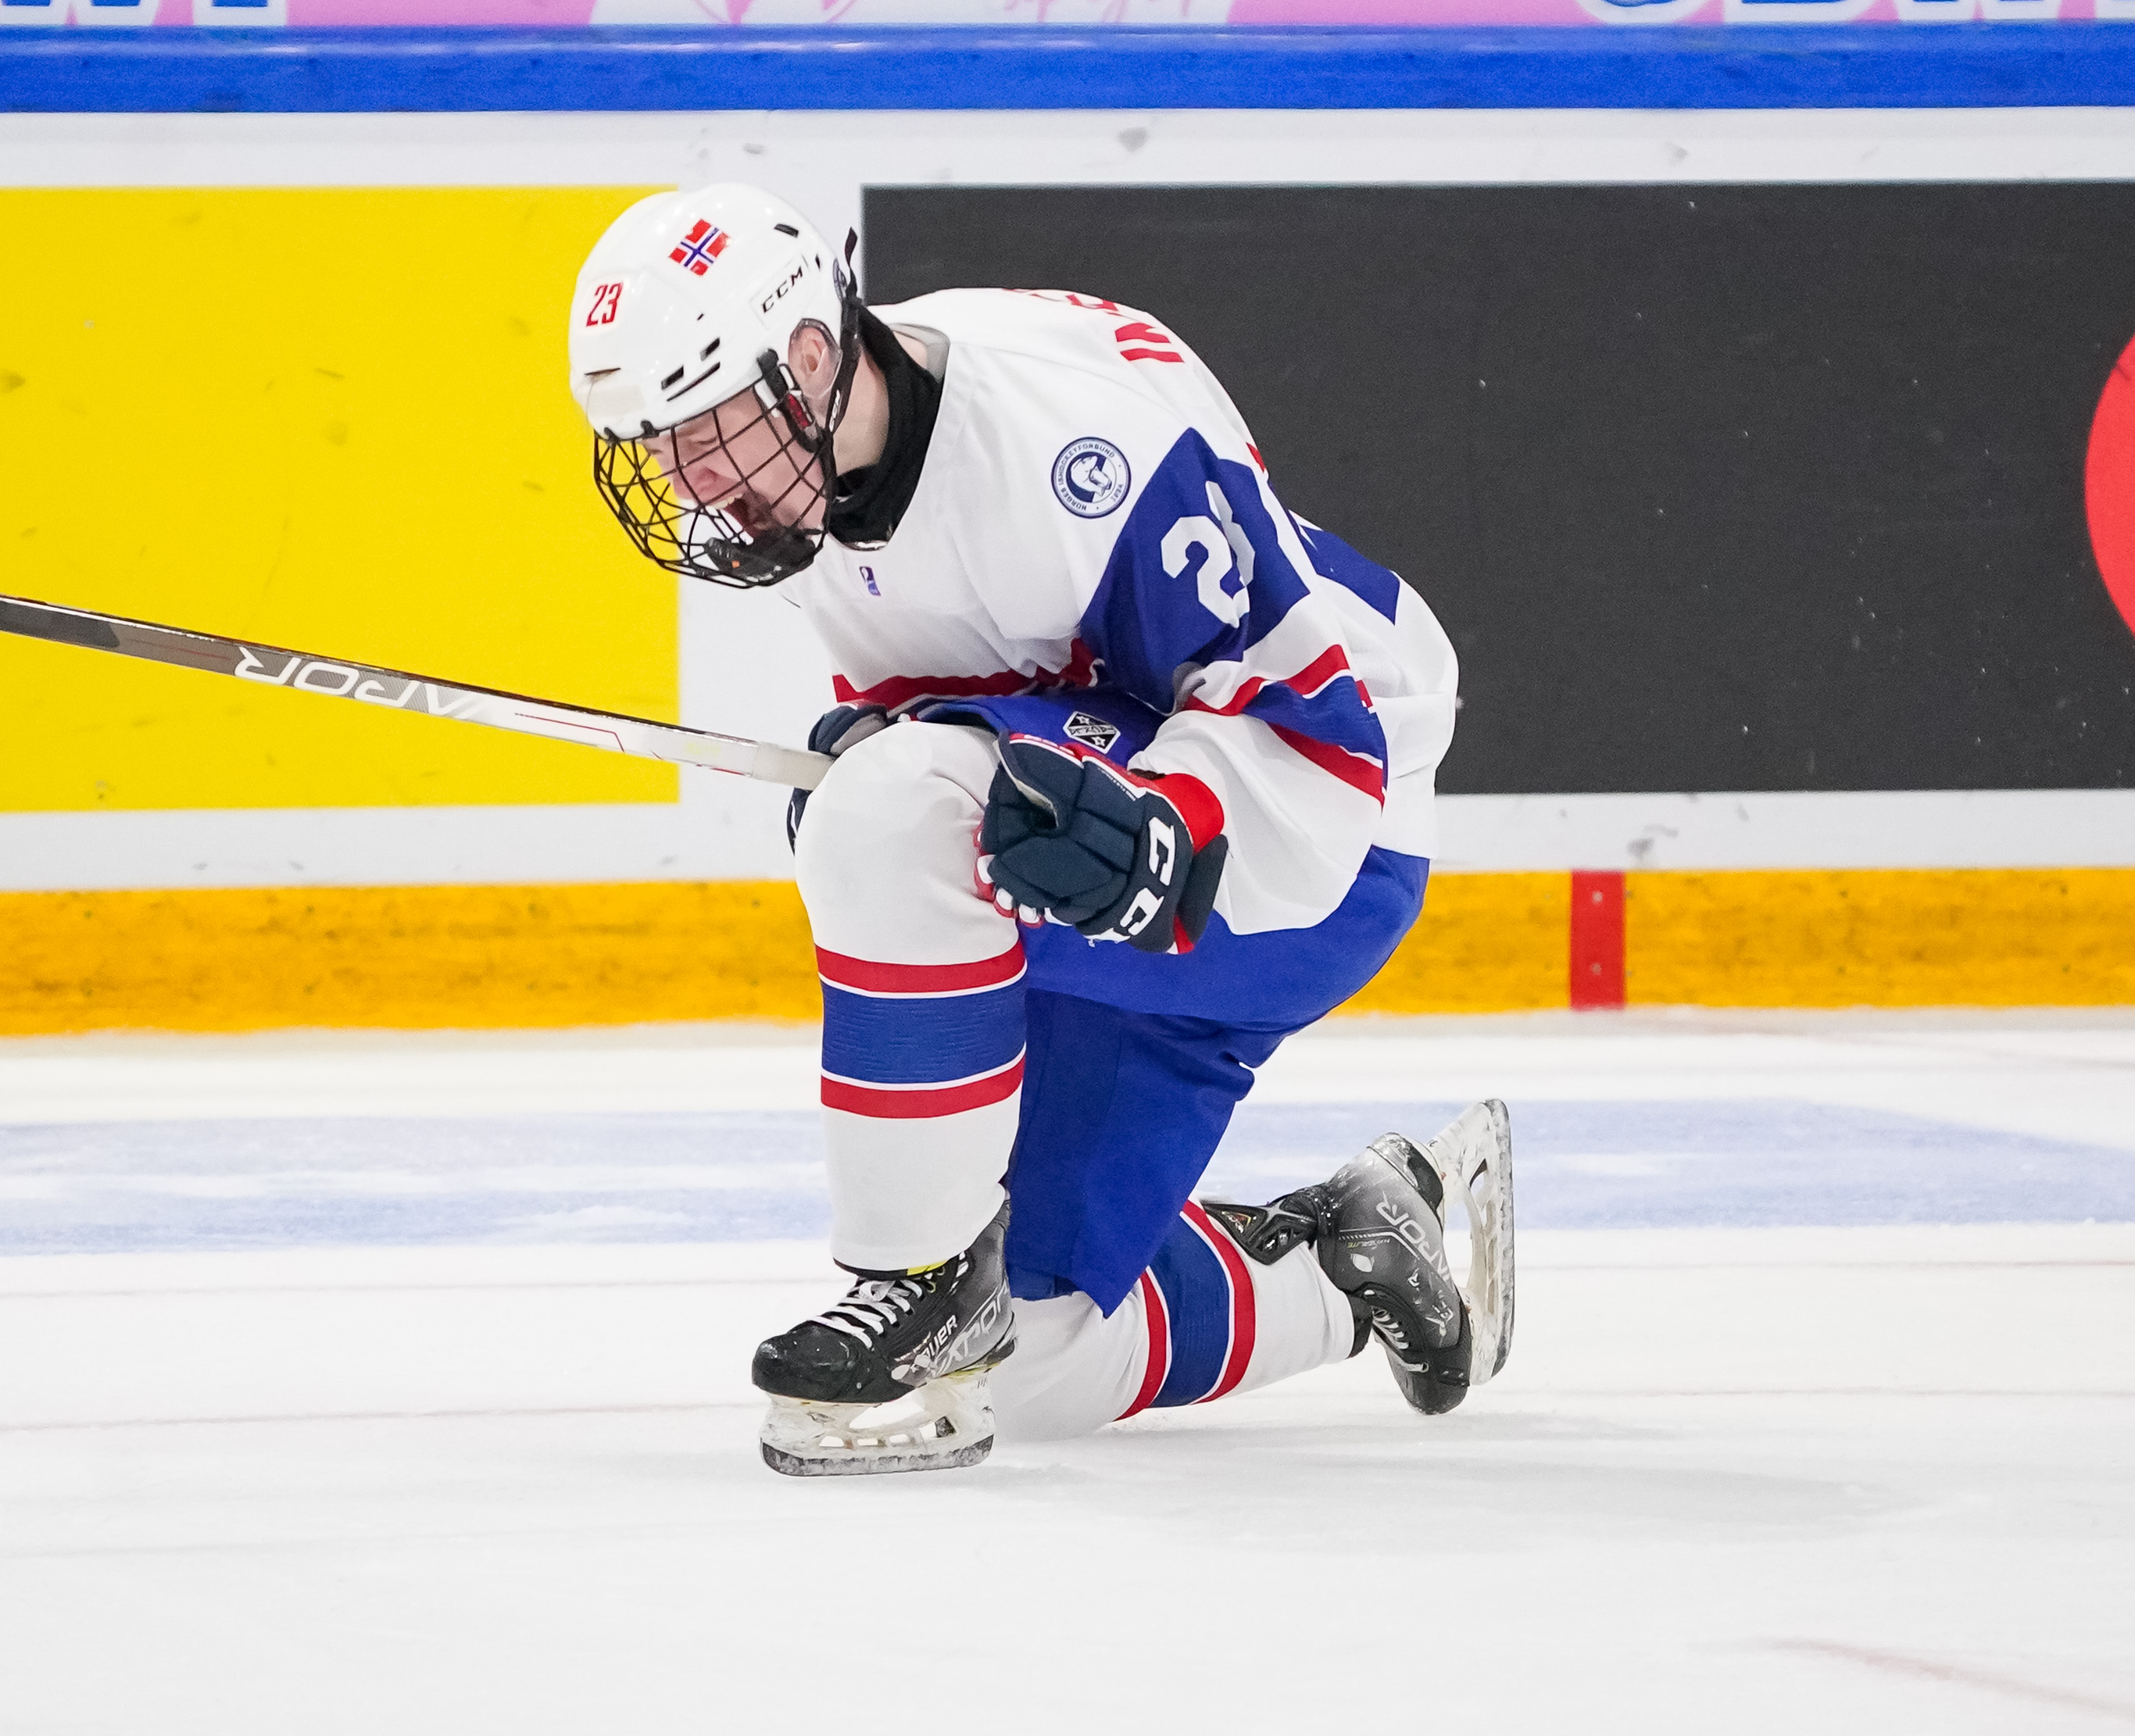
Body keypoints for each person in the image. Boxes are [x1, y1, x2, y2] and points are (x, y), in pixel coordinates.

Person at [567, 183, 1515, 1477]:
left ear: (805, 360)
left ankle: (909, 1277)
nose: (690, 479)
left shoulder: (1077, 456)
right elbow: (965, 686)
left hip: (1313, 841)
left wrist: (1155, 829)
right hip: (1116, 849)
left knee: (895, 808)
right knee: (1026, 1363)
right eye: (659, 446)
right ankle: (1359, 1255)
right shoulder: (827, 471)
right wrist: (910, 744)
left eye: (706, 431)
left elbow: (1319, 742)